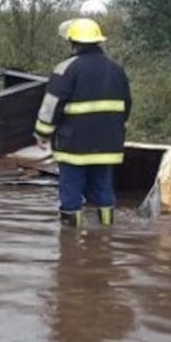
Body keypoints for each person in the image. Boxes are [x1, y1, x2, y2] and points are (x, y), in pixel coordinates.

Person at [34, 18, 131, 227]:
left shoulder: (66, 69)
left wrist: (42, 133)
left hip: (74, 145)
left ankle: (71, 239)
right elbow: (126, 105)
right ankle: (106, 234)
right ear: (98, 42)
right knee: (103, 190)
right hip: (107, 143)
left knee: (71, 192)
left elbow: (52, 105)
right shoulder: (116, 69)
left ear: (73, 42)